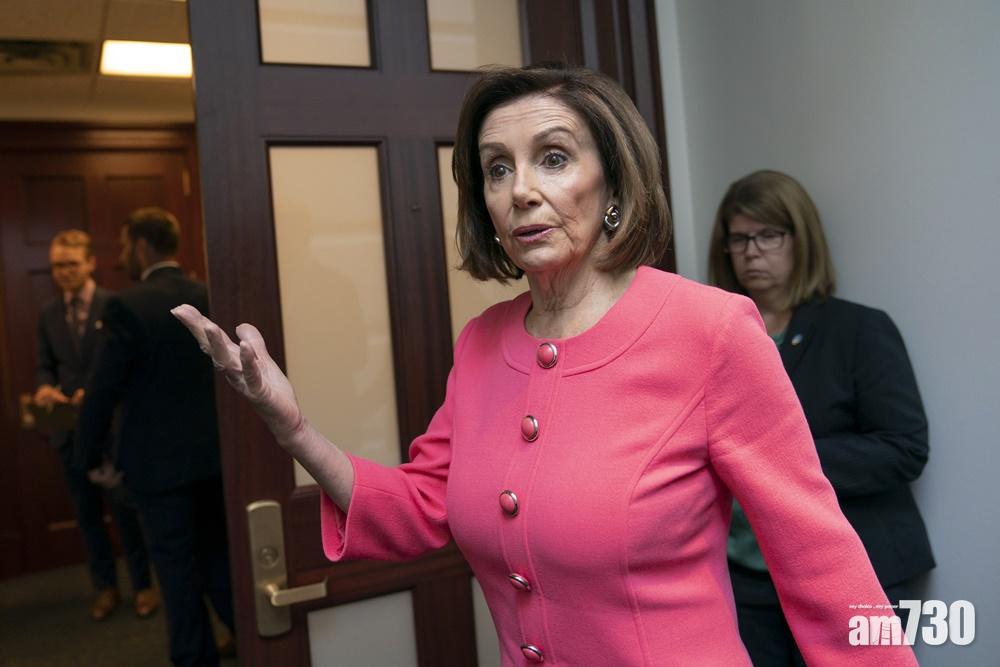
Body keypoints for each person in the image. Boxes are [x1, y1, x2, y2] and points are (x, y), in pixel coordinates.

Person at [174, 66, 917, 665]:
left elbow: (822, 563)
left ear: (614, 184)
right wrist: (294, 428)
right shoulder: (482, 341)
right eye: (497, 169)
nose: (520, 190)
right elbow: (426, 504)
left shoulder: (710, 330)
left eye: (553, 158)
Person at [708, 169, 935, 665]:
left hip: (855, 567)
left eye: (768, 235)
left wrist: (783, 459)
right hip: (745, 577)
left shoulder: (858, 329)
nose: (751, 252)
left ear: (801, 238)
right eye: (739, 239)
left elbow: (905, 448)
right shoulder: (713, 336)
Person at [76, 209, 235, 667]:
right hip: (215, 458)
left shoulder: (126, 306)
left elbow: (102, 390)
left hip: (158, 468)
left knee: (176, 572)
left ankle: (193, 658)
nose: (122, 254)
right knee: (218, 558)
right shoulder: (210, 293)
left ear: (142, 246)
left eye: (126, 244)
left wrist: (89, 458)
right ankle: (254, 642)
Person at [34, 229, 158, 621]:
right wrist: (44, 388)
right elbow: (45, 365)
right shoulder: (48, 313)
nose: (64, 271)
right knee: (87, 515)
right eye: (57, 265)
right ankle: (105, 587)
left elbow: (130, 367)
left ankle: (143, 585)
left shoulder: (115, 305)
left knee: (126, 515)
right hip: (68, 433)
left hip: (112, 431)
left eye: (71, 263)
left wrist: (95, 392)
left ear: (90, 263)